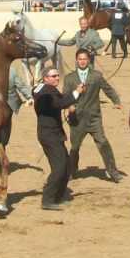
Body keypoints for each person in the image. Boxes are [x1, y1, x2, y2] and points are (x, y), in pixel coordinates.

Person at [63, 49, 124, 183]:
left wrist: (116, 101)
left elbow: (107, 88)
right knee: (75, 147)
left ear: (89, 60)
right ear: (76, 60)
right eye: (80, 59)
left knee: (103, 142)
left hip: (94, 117)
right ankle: (71, 171)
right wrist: (69, 107)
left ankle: (113, 172)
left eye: (85, 59)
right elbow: (66, 96)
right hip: (76, 119)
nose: (82, 61)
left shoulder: (96, 75)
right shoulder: (69, 78)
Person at [33, 66, 85, 211]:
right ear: (46, 78)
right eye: (53, 76)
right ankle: (47, 200)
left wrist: (71, 99)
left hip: (53, 134)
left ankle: (57, 197)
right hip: (49, 135)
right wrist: (76, 93)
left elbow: (60, 99)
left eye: (57, 75)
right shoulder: (47, 92)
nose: (57, 78)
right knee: (59, 168)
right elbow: (58, 103)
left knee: (66, 165)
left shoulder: (44, 89)